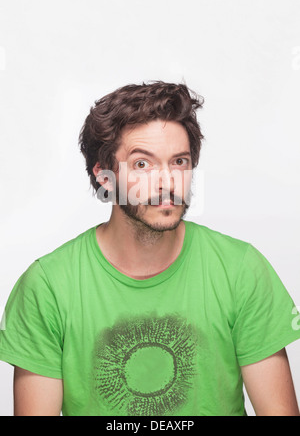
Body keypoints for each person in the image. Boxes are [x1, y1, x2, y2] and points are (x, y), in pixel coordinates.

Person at [0, 81, 300, 416]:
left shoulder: (241, 269)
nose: (167, 181)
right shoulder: (48, 286)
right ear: (104, 176)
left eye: (179, 162)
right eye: (143, 164)